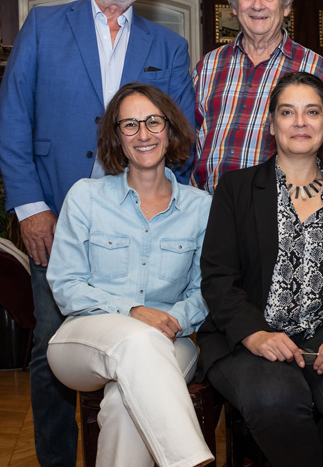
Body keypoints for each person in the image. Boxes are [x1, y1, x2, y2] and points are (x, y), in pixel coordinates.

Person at [0, 0, 193, 466]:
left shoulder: (168, 46)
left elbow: (181, 135)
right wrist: (32, 209)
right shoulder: (43, 25)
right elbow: (12, 121)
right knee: (49, 347)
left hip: (139, 224)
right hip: (57, 219)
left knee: (135, 339)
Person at [197, 72, 323, 467]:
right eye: (288, 112)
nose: (300, 122)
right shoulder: (235, 189)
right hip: (253, 336)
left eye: (312, 112)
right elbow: (218, 276)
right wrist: (254, 334)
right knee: (276, 402)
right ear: (271, 124)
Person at [46, 83, 213, 467]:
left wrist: (173, 319)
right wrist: (133, 311)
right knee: (137, 341)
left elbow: (205, 289)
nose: (143, 134)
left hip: (174, 337)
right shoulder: (86, 197)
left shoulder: (201, 207)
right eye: (130, 125)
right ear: (116, 137)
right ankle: (189, 460)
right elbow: (67, 285)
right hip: (84, 338)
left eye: (153, 122)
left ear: (170, 131)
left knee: (124, 402)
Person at [192, 0, 323, 193]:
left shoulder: (316, 67)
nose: (257, 5)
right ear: (234, 6)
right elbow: (185, 141)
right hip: (208, 211)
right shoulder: (208, 66)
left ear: (286, 6)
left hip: (284, 215)